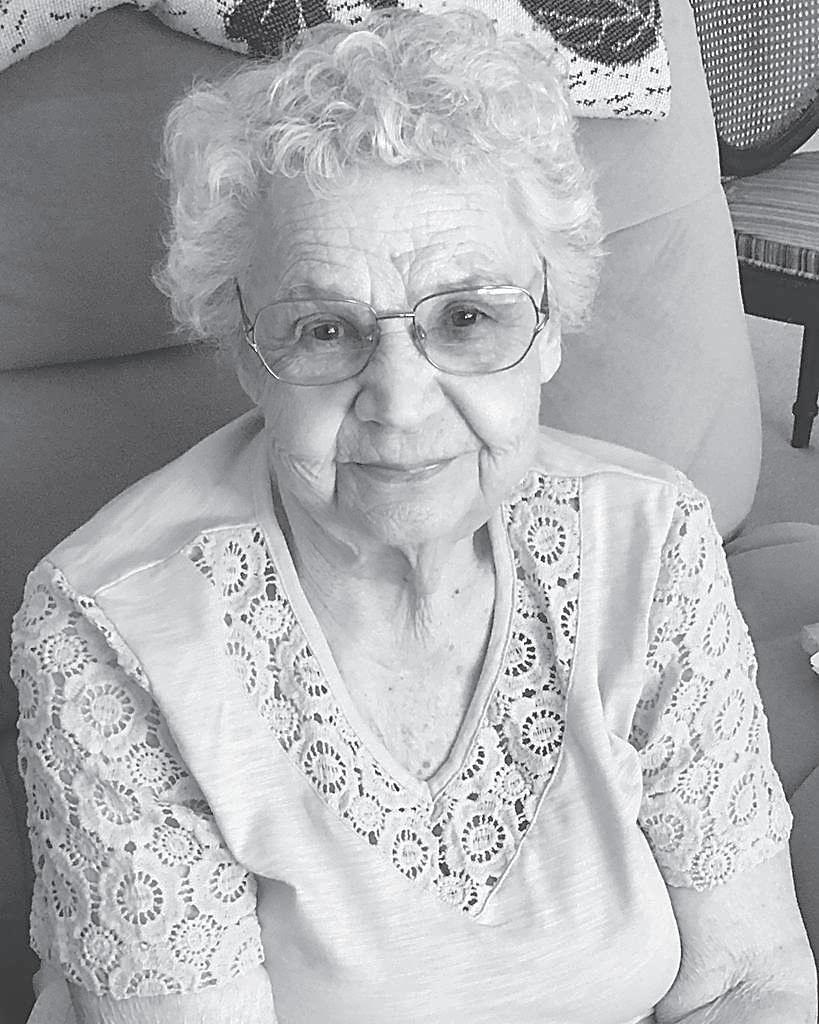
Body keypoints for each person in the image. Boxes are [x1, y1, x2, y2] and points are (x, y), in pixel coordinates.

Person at [11, 9, 816, 1024]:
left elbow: (749, 978)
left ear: (548, 331)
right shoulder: (110, 633)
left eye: (467, 318)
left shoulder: (652, 543)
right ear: (246, 353)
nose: (400, 401)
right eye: (324, 329)